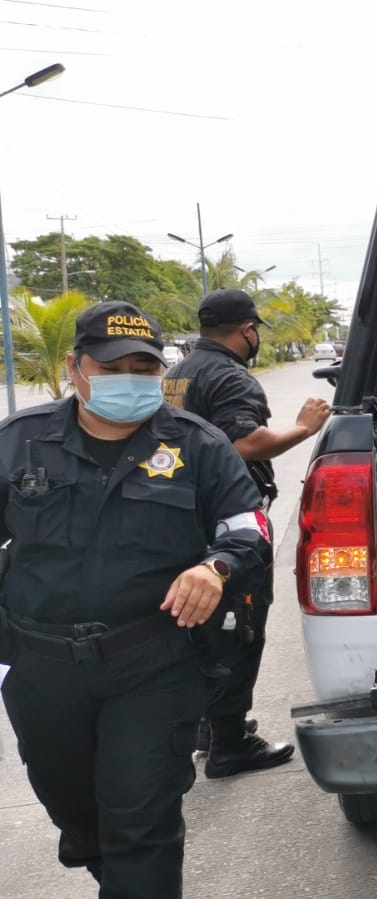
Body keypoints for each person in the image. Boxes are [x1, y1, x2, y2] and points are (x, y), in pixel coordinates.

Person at [0, 301, 271, 897]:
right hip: (43, 670)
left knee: (140, 821)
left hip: (153, 663)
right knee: (77, 813)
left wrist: (216, 566)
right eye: (112, 366)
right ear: (75, 368)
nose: (130, 380)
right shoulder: (19, 442)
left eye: (144, 368)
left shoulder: (196, 445)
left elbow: (249, 524)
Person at [162, 288, 330, 776]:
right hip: (226, 519)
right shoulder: (230, 376)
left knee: (201, 625)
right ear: (247, 331)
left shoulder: (181, 371)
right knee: (240, 625)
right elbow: (245, 443)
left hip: (182, 512)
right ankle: (230, 743)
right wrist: (303, 428)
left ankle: (206, 729)